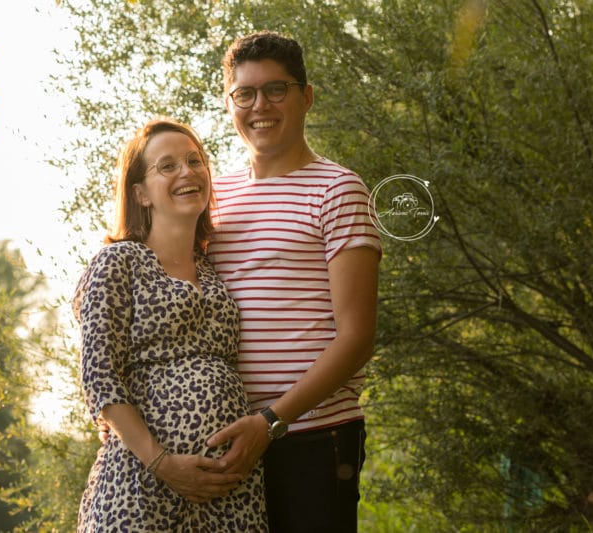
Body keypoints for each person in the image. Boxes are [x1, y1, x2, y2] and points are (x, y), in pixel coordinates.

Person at [204, 31, 381, 532]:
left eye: (276, 90)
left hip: (313, 437)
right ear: (229, 102)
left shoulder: (338, 189)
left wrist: (270, 422)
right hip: (225, 439)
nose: (260, 105)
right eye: (245, 93)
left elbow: (357, 337)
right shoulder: (214, 198)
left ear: (306, 96)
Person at [72, 118, 268, 532]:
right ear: (140, 192)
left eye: (195, 161)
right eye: (167, 166)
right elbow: (100, 377)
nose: (187, 172)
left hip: (229, 493)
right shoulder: (118, 262)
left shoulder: (214, 270)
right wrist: (163, 463)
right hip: (140, 486)